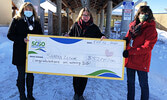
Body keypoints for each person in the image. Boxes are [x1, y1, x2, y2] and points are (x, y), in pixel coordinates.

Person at [67, 7, 106, 100]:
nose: (85, 17)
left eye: (87, 15)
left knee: (84, 76)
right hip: (76, 55)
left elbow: (100, 35)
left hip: (88, 56)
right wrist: (66, 36)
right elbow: (69, 35)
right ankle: (76, 93)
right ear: (81, 16)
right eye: (84, 15)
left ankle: (81, 94)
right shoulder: (75, 25)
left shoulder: (94, 27)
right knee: (76, 76)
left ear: (90, 16)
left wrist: (103, 37)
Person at [7, 2, 43, 100]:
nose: (28, 11)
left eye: (30, 10)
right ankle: (22, 95)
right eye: (26, 9)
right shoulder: (16, 20)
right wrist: (22, 39)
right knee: (21, 75)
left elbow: (41, 35)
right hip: (20, 52)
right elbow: (10, 35)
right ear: (23, 10)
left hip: (32, 53)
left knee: (30, 75)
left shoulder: (36, 21)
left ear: (33, 11)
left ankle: (30, 95)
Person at [123, 6, 157, 100]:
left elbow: (147, 47)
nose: (143, 16)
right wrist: (125, 41)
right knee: (130, 84)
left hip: (142, 62)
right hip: (130, 60)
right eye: (142, 13)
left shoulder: (151, 29)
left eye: (146, 14)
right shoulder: (132, 26)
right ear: (138, 14)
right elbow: (128, 37)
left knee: (143, 85)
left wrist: (130, 52)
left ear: (149, 16)